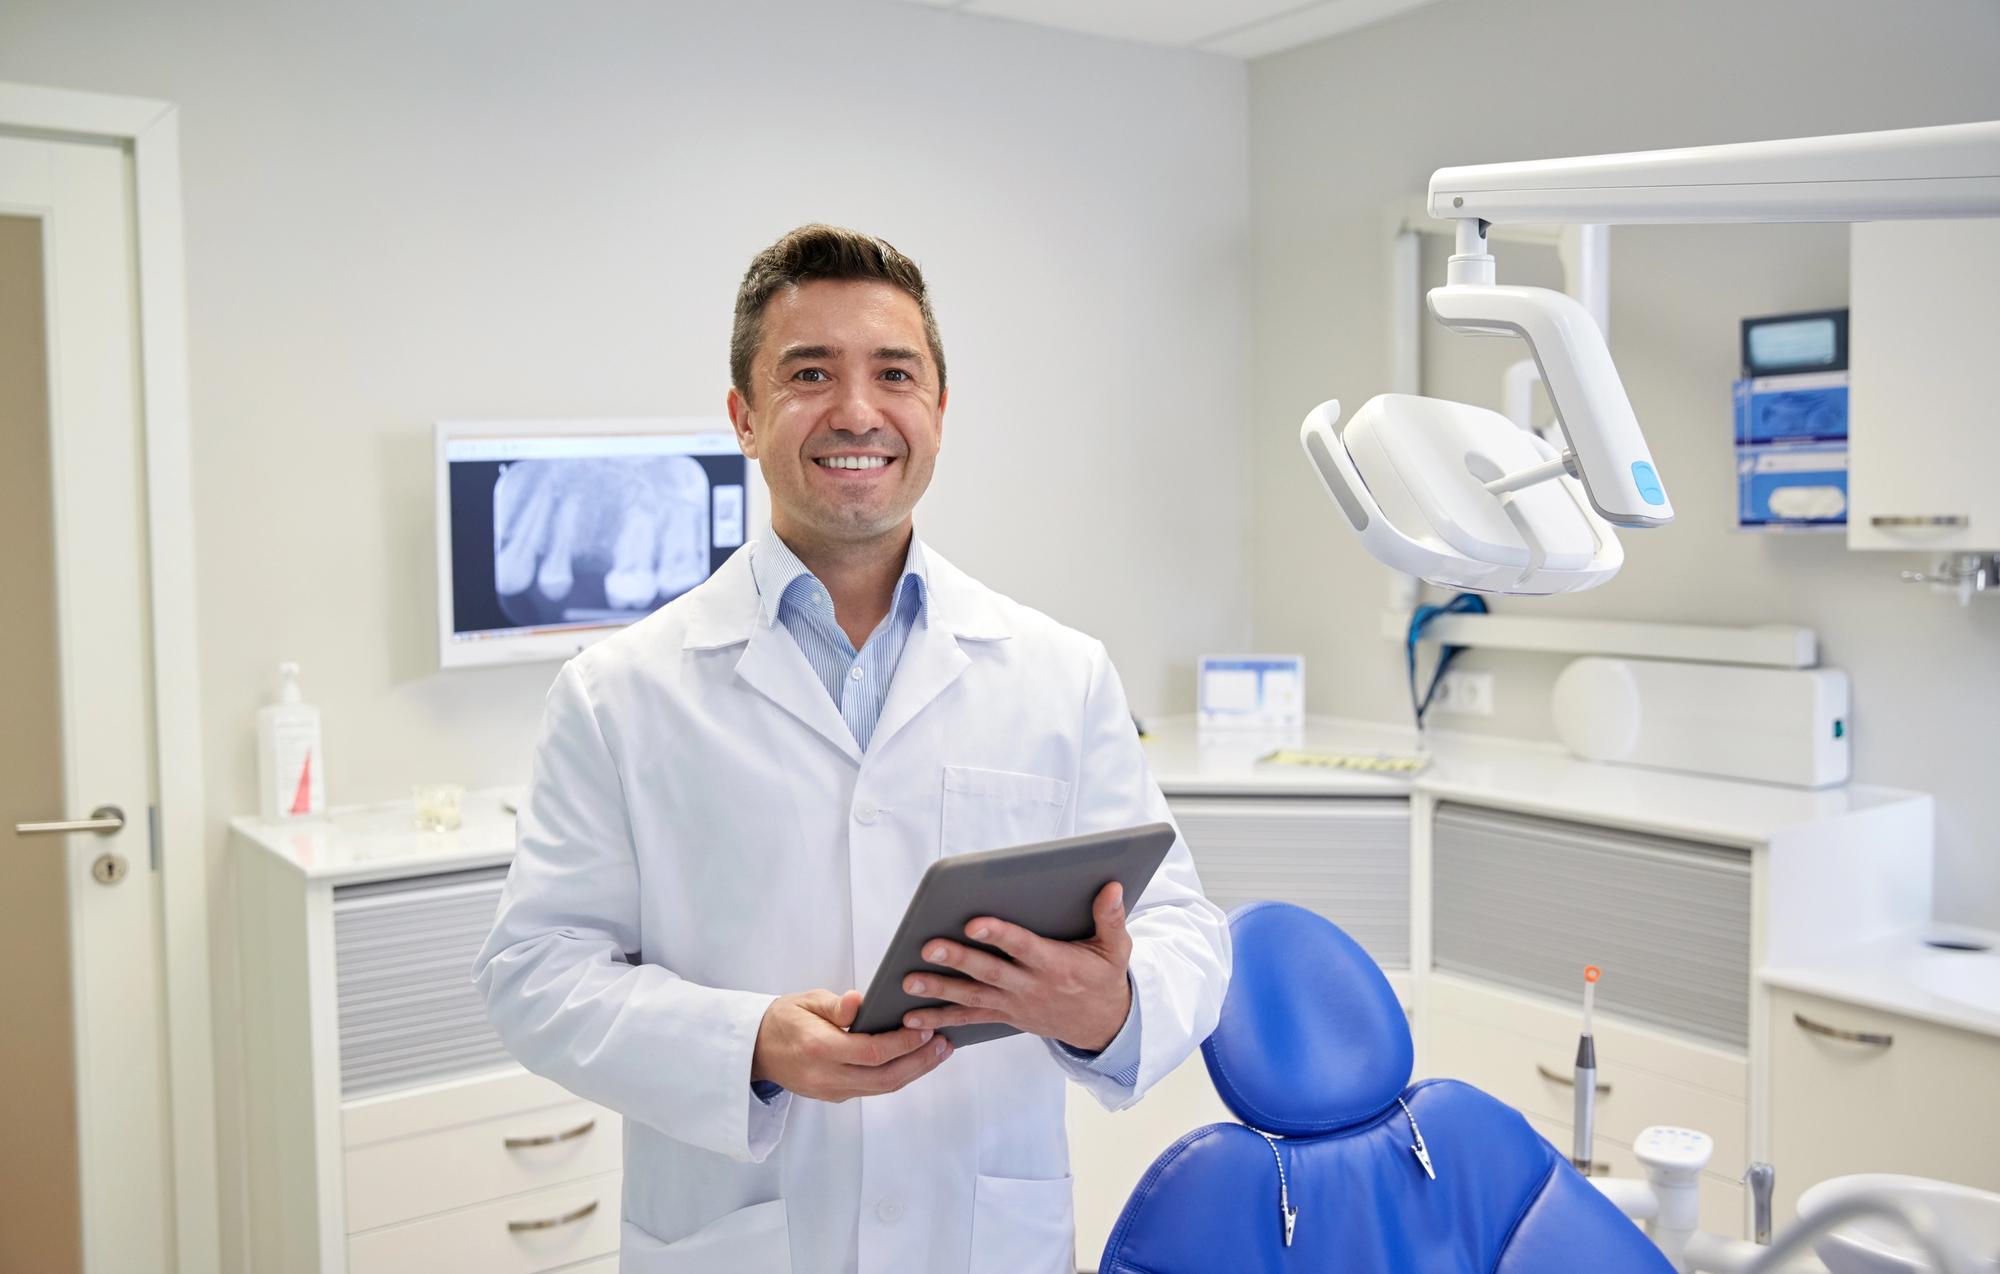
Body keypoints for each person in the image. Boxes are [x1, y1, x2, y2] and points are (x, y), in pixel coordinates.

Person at [476, 224, 1230, 1274]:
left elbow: (1182, 924)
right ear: (743, 416)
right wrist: (750, 1043)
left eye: (893, 373)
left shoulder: (1058, 672)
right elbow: (535, 971)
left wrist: (1111, 1005)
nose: (858, 410)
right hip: (737, 1236)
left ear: (937, 411)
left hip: (984, 1236)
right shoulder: (620, 694)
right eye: (808, 373)